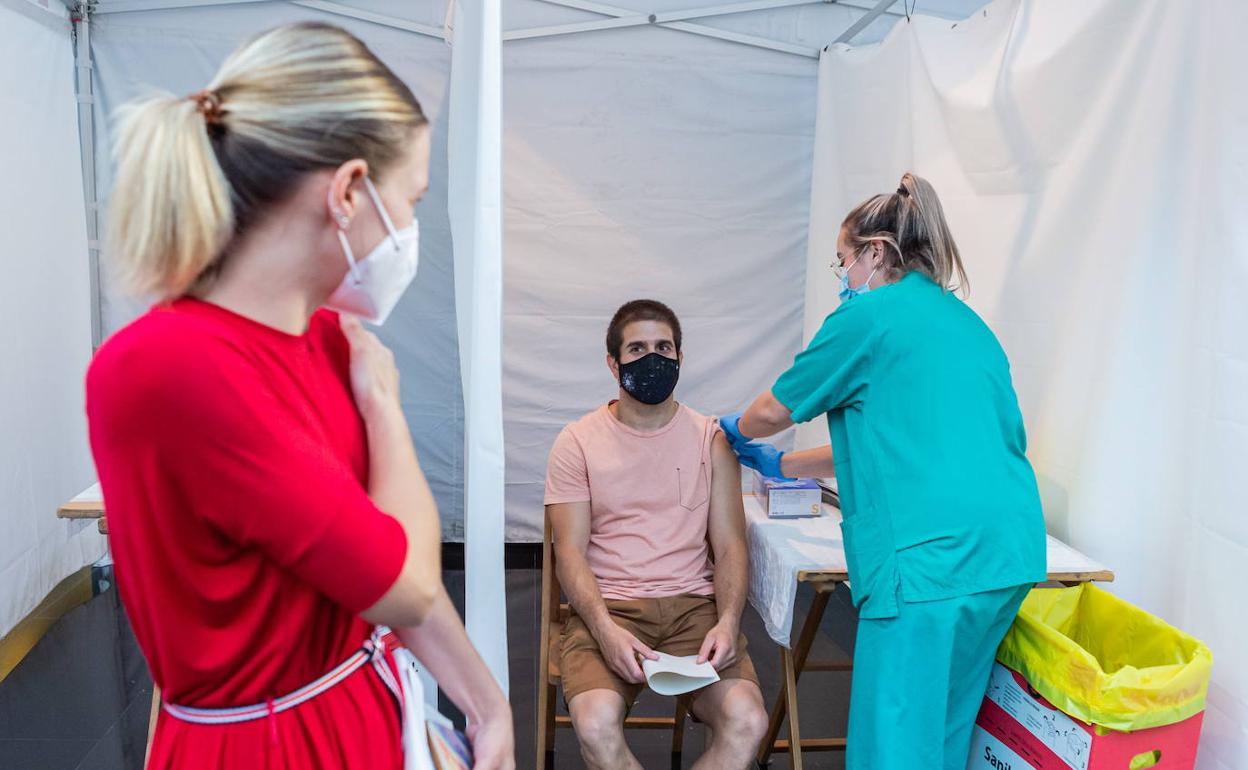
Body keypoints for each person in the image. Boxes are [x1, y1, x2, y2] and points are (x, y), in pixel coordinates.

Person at [85, 23, 513, 770]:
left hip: (359, 702)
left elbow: (368, 559)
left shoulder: (322, 336)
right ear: (348, 191)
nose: (410, 227)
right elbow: (405, 582)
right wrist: (385, 412)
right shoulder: (169, 366)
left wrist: (485, 704)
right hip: (269, 744)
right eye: (409, 200)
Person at [719, 173, 1047, 770]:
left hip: (928, 567)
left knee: (893, 744)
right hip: (1007, 556)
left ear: (876, 252)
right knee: (943, 730)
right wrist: (784, 465)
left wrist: (736, 430)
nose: (843, 277)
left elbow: (772, 410)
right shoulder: (967, 326)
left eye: (843, 260)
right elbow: (905, 433)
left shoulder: (866, 320)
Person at [544, 300, 769, 770]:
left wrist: (727, 622)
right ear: (613, 363)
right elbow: (568, 552)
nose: (654, 360)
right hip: (610, 609)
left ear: (681, 358)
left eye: (664, 347)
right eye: (638, 349)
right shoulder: (577, 441)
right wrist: (604, 630)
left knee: (748, 722)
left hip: (694, 611)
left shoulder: (711, 440)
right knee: (595, 725)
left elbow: (730, 545)